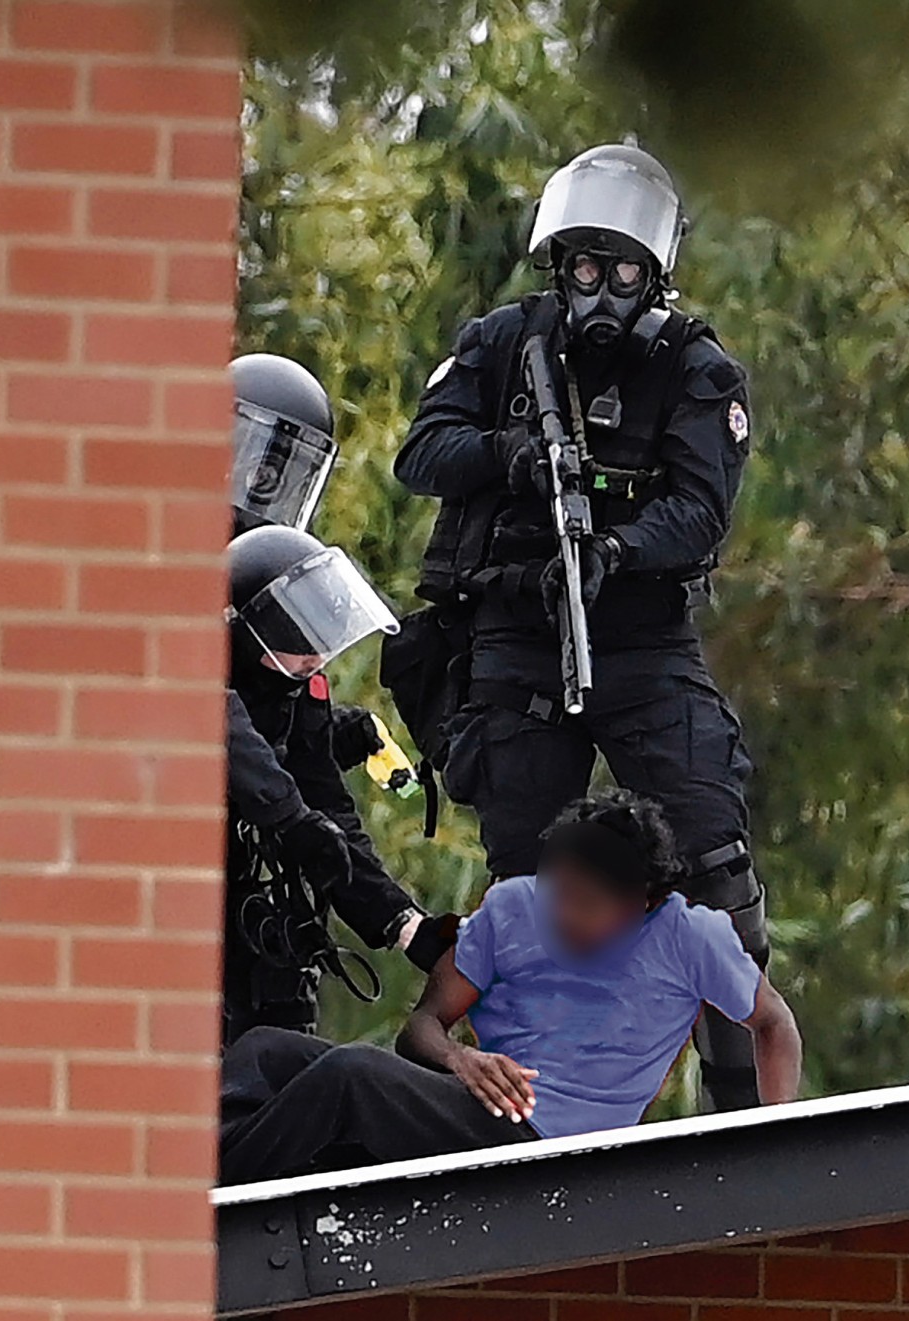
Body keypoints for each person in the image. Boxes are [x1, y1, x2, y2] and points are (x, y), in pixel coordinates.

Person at [392, 143, 765, 1110]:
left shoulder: (696, 369)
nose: (601, 292)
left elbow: (699, 510)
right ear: (561, 269)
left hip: (639, 637)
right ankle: (513, 1104)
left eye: (624, 272)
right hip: (516, 631)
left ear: (657, 276)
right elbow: (420, 453)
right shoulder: (503, 342)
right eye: (585, 270)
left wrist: (614, 549)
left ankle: (737, 1119)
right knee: (528, 892)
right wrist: (514, 455)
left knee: (716, 866)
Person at [218, 790, 801, 1185]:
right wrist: (459, 1058)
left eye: (587, 904)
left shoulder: (690, 936)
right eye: (560, 892)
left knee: (349, 1076)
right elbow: (419, 1030)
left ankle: (200, 1192)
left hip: (557, 1145)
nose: (564, 914)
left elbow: (773, 1023)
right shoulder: (512, 907)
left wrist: (776, 1137)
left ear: (641, 902)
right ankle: (203, 1160)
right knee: (265, 1050)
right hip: (479, 1109)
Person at [224, 524, 457, 1046]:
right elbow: (231, 738)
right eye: (299, 644)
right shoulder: (197, 670)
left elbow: (329, 807)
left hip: (256, 919)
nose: (315, 660)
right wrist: (291, 819)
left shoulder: (301, 685)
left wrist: (403, 923)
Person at [230, 351, 384, 775]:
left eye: (286, 466)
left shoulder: (280, 570)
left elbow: (275, 728)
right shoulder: (166, 555)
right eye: (254, 456)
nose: (263, 479)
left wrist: (331, 736)